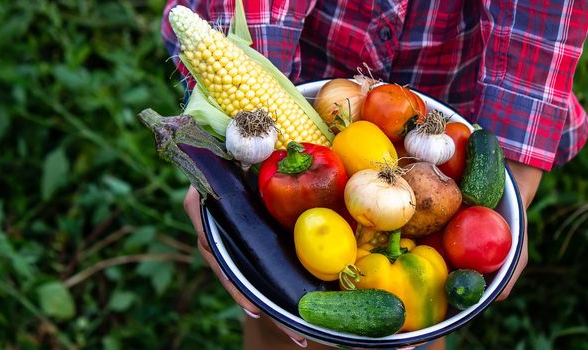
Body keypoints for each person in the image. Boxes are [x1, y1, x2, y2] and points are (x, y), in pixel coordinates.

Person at [161, 1, 588, 349]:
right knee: (280, 327)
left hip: (446, 72)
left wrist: (516, 169)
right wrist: (241, 126)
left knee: (411, 337)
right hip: (309, 52)